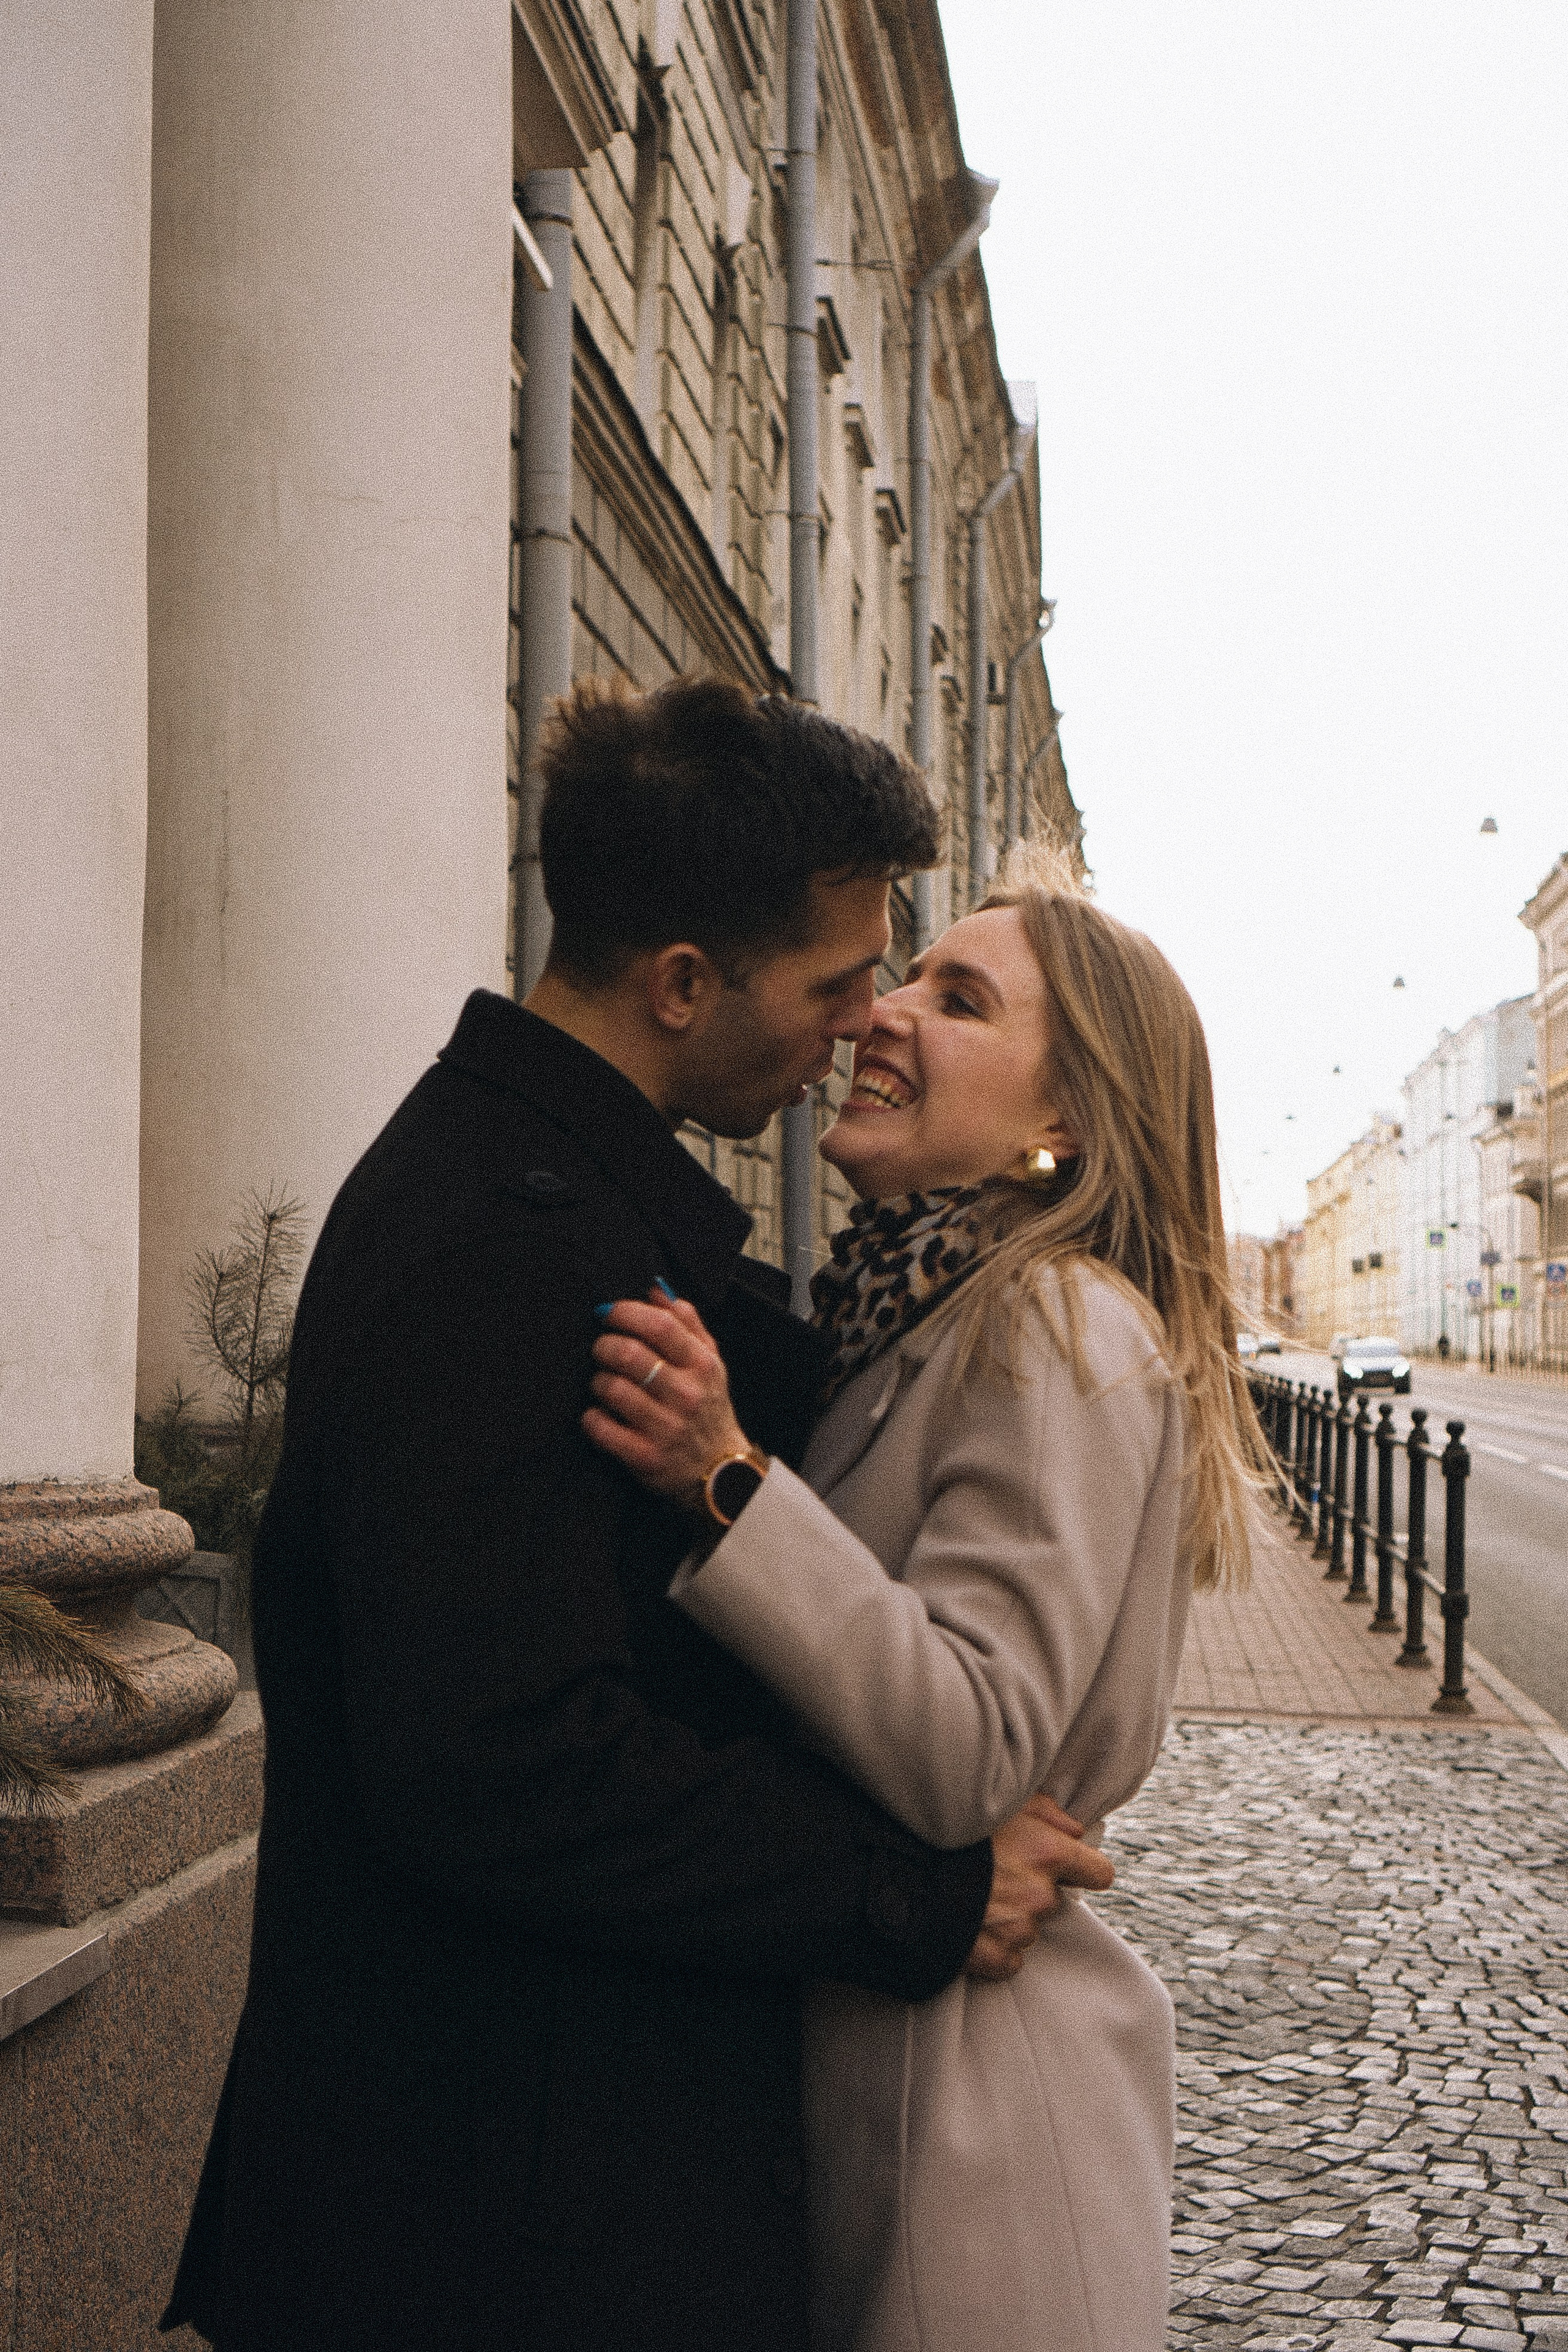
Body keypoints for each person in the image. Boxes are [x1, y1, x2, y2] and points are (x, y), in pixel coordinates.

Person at [160, 679, 1112, 2352]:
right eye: (839, 981)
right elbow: (506, 1766)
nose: (861, 1021)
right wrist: (918, 1899)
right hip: (491, 2231)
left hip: (531, 2188)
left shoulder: (583, 1204)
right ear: (684, 983)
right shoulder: (513, 1247)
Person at [587, 864, 1269, 2352]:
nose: (879, 1015)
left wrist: (726, 1484)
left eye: (956, 1001)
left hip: (971, 2117)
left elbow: (969, 1740)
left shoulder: (1053, 1319)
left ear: (1063, 1121)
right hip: (897, 2054)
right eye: (910, 979)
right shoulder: (918, 1303)